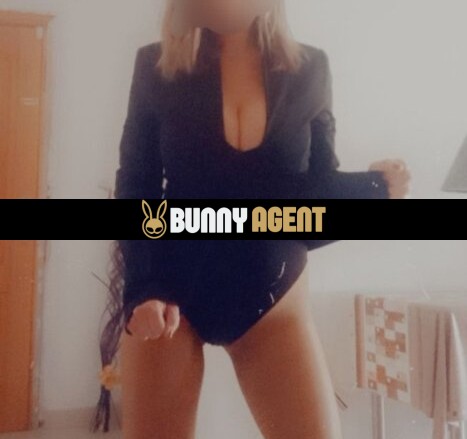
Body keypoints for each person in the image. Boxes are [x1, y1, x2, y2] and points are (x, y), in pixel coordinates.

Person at [90, 0, 411, 437]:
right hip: (169, 296)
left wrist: (373, 189)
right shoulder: (155, 65)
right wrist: (143, 288)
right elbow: (137, 185)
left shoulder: (311, 69)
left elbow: (309, 202)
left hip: (272, 301)